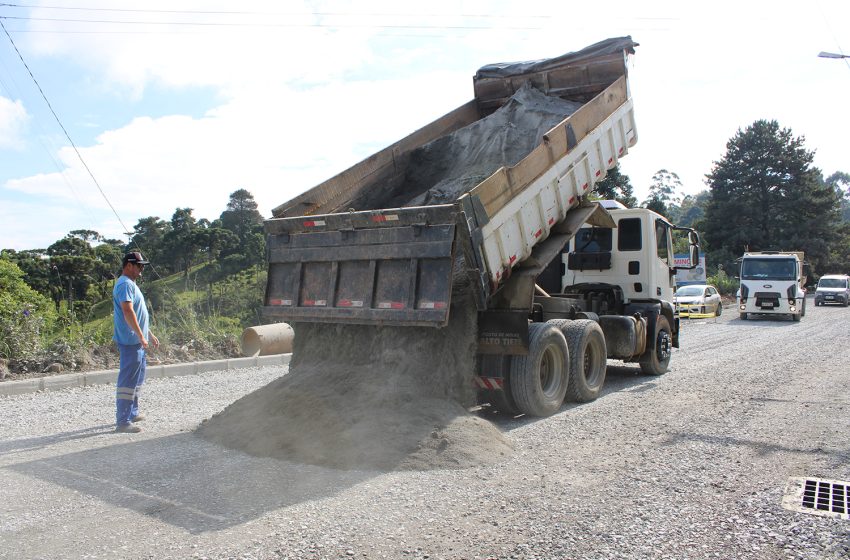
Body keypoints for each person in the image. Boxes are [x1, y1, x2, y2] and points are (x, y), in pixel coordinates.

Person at [112, 251, 159, 433]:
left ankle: (132, 412)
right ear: (129, 265)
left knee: (138, 378)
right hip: (130, 341)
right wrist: (140, 335)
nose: (141, 270)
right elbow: (128, 311)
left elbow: (139, 315)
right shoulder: (124, 284)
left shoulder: (131, 284)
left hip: (137, 340)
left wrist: (149, 334)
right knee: (128, 380)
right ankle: (122, 421)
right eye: (139, 266)